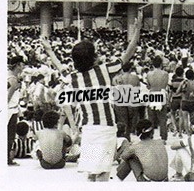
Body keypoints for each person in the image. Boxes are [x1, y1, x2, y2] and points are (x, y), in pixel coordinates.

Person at [42, 11, 142, 181]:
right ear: (94, 58)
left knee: (92, 172)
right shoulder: (104, 70)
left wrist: (49, 49)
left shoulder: (73, 77)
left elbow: (60, 67)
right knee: (103, 172)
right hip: (106, 128)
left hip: (87, 129)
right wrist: (137, 29)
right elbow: (129, 53)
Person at [113, 61, 141, 140]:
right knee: (132, 120)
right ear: (130, 69)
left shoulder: (117, 78)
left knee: (123, 122)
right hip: (132, 100)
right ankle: (131, 134)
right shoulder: (135, 77)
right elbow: (138, 89)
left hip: (121, 101)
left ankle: (126, 138)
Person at [147, 55, 169, 142]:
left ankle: (150, 136)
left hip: (152, 93)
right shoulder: (165, 74)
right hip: (161, 93)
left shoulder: (149, 74)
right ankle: (163, 138)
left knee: (151, 117)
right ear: (161, 64)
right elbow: (165, 85)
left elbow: (149, 86)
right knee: (162, 118)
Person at [8, 55, 25, 165]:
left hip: (12, 108)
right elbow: (8, 96)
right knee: (9, 135)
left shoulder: (11, 76)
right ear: (18, 65)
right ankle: (6, 158)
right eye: (22, 64)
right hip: (9, 109)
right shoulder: (12, 79)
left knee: (9, 135)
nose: (23, 66)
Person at [176, 69, 194, 136]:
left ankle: (184, 132)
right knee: (191, 118)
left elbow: (177, 92)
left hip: (184, 101)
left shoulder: (183, 82)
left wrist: (182, 91)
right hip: (192, 102)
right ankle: (191, 130)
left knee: (184, 118)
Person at [169, 66, 185, 137]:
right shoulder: (184, 81)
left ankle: (175, 128)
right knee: (181, 116)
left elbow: (170, 91)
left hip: (174, 99)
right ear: (182, 73)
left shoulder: (173, 81)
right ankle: (180, 132)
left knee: (172, 114)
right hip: (182, 99)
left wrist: (169, 100)